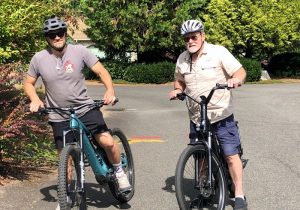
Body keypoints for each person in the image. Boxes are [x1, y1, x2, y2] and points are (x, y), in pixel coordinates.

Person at [24, 16, 131, 208]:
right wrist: (34, 99)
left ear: (65, 33)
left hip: (85, 108)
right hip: (58, 114)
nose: (57, 37)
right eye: (52, 35)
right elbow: (29, 83)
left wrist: (110, 90)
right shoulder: (39, 58)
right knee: (65, 160)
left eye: (60, 33)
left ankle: (119, 172)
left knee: (106, 141)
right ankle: (66, 197)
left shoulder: (80, 51)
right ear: (47, 38)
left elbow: (102, 72)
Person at [169, 20, 247, 210]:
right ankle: (205, 191)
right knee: (200, 157)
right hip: (196, 116)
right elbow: (179, 81)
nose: (190, 41)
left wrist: (236, 79)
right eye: (186, 38)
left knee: (230, 154)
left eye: (193, 36)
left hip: (220, 114)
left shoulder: (218, 52)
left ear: (202, 35)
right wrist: (178, 90)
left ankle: (239, 195)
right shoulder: (182, 59)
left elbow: (240, 72)